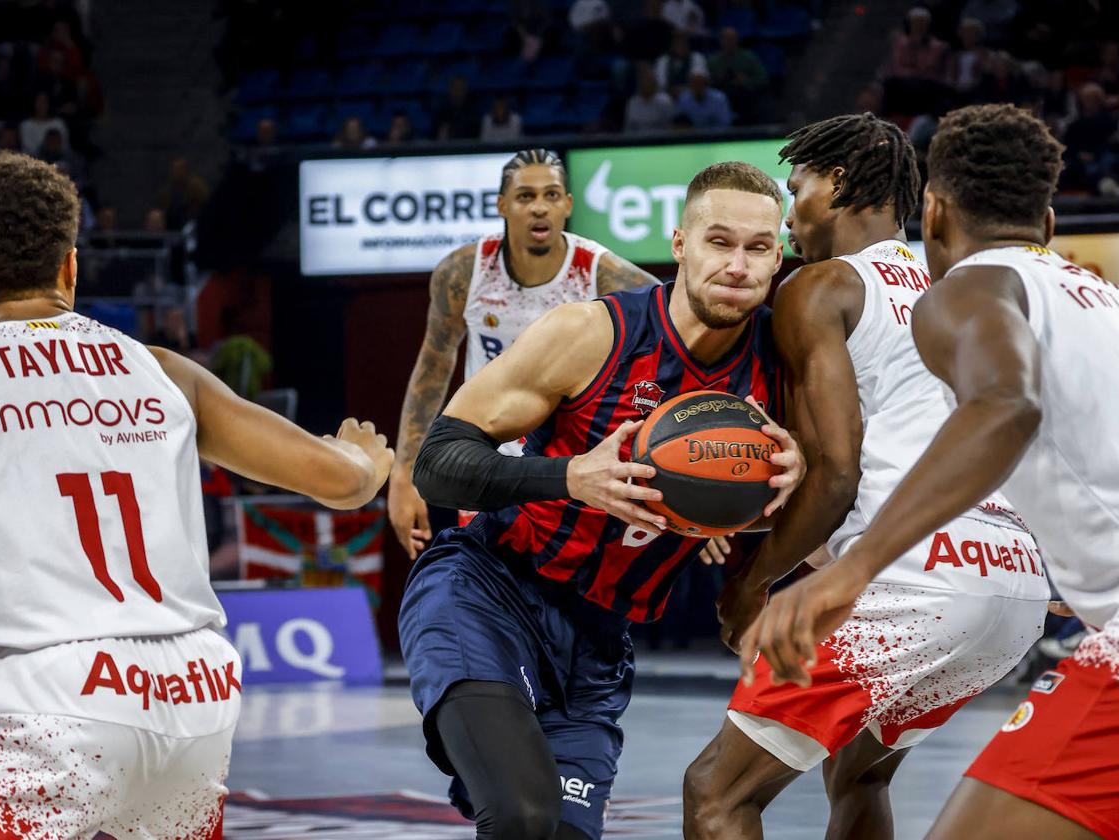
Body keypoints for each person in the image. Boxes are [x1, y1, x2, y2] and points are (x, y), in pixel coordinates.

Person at [741, 102, 1119, 839]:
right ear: (1050, 224)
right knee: (859, 774)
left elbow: (1006, 407)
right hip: (1049, 601)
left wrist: (851, 570)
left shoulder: (970, 289)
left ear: (934, 213)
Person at [0, 152, 394, 837]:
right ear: (70, 268)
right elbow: (341, 482)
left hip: (43, 699)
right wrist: (365, 457)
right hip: (190, 694)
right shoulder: (162, 369)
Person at [399, 160, 803, 840]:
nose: (737, 264)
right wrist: (568, 477)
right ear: (680, 245)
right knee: (522, 816)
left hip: (599, 644)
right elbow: (438, 464)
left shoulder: (782, 373)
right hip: (487, 591)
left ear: (779, 256)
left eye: (758, 247)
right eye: (719, 241)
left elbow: (819, 508)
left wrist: (779, 499)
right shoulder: (591, 333)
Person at [683, 113, 1050, 840]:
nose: (791, 218)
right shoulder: (956, 288)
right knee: (859, 772)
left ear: (838, 183)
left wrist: (749, 584)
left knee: (717, 795)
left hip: (916, 584)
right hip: (1014, 587)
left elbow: (838, 473)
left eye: (798, 190)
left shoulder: (821, 286)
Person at [387, 149, 659, 561]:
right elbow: (432, 369)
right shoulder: (462, 272)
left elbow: (674, 344)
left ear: (568, 205)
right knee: (488, 594)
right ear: (502, 205)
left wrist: (683, 470)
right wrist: (403, 475)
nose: (539, 208)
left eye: (551, 195)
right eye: (525, 196)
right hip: (487, 461)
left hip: (568, 466)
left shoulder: (605, 274)